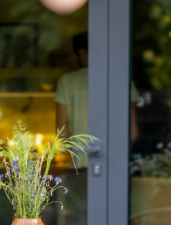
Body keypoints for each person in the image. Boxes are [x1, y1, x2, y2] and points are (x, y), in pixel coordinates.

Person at [55, 31, 140, 169]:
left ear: (82, 53)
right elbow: (132, 134)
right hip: (115, 169)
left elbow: (62, 135)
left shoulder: (67, 81)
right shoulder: (122, 79)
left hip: (81, 167)